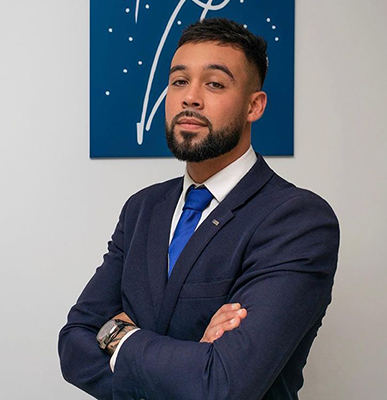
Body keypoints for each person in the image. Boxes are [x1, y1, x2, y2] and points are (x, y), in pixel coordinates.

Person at [58, 18, 340, 400]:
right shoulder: (142, 209)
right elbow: (73, 346)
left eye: (215, 84)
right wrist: (195, 361)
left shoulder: (298, 220)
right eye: (179, 81)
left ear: (254, 106)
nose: (190, 97)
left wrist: (116, 335)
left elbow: (223, 385)